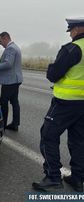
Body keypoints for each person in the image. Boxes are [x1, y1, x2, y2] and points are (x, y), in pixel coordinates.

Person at [32, 18, 84, 192]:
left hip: (65, 102)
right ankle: (78, 178)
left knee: (47, 135)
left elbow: (54, 74)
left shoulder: (72, 48)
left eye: (71, 30)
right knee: (78, 140)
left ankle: (53, 177)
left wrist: (50, 68)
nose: (70, 34)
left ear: (78, 29)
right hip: (82, 104)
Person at [0, 32, 23, 131]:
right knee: (14, 101)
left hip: (10, 81)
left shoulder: (10, 48)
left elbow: (8, 64)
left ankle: (2, 125)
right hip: (14, 80)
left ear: (5, 38)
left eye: (0, 41)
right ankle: (15, 124)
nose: (0, 43)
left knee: (3, 102)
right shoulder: (15, 47)